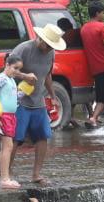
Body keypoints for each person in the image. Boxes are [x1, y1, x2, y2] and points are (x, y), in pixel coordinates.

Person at [7, 24, 66, 185]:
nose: (48, 49)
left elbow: (47, 75)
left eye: (52, 47)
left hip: (38, 101)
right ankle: (7, 172)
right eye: (47, 45)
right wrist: (24, 76)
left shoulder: (51, 53)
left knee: (42, 136)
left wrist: (52, 96)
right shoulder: (24, 49)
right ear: (40, 39)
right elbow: (7, 70)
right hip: (19, 100)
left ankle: (36, 174)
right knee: (15, 138)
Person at [0, 55, 22, 190]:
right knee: (7, 146)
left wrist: (23, 93)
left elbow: (11, 97)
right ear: (7, 65)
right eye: (15, 68)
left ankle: (5, 177)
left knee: (6, 146)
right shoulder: (1, 78)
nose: (17, 71)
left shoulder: (11, 80)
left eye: (19, 69)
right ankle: (4, 179)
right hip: (3, 116)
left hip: (10, 116)